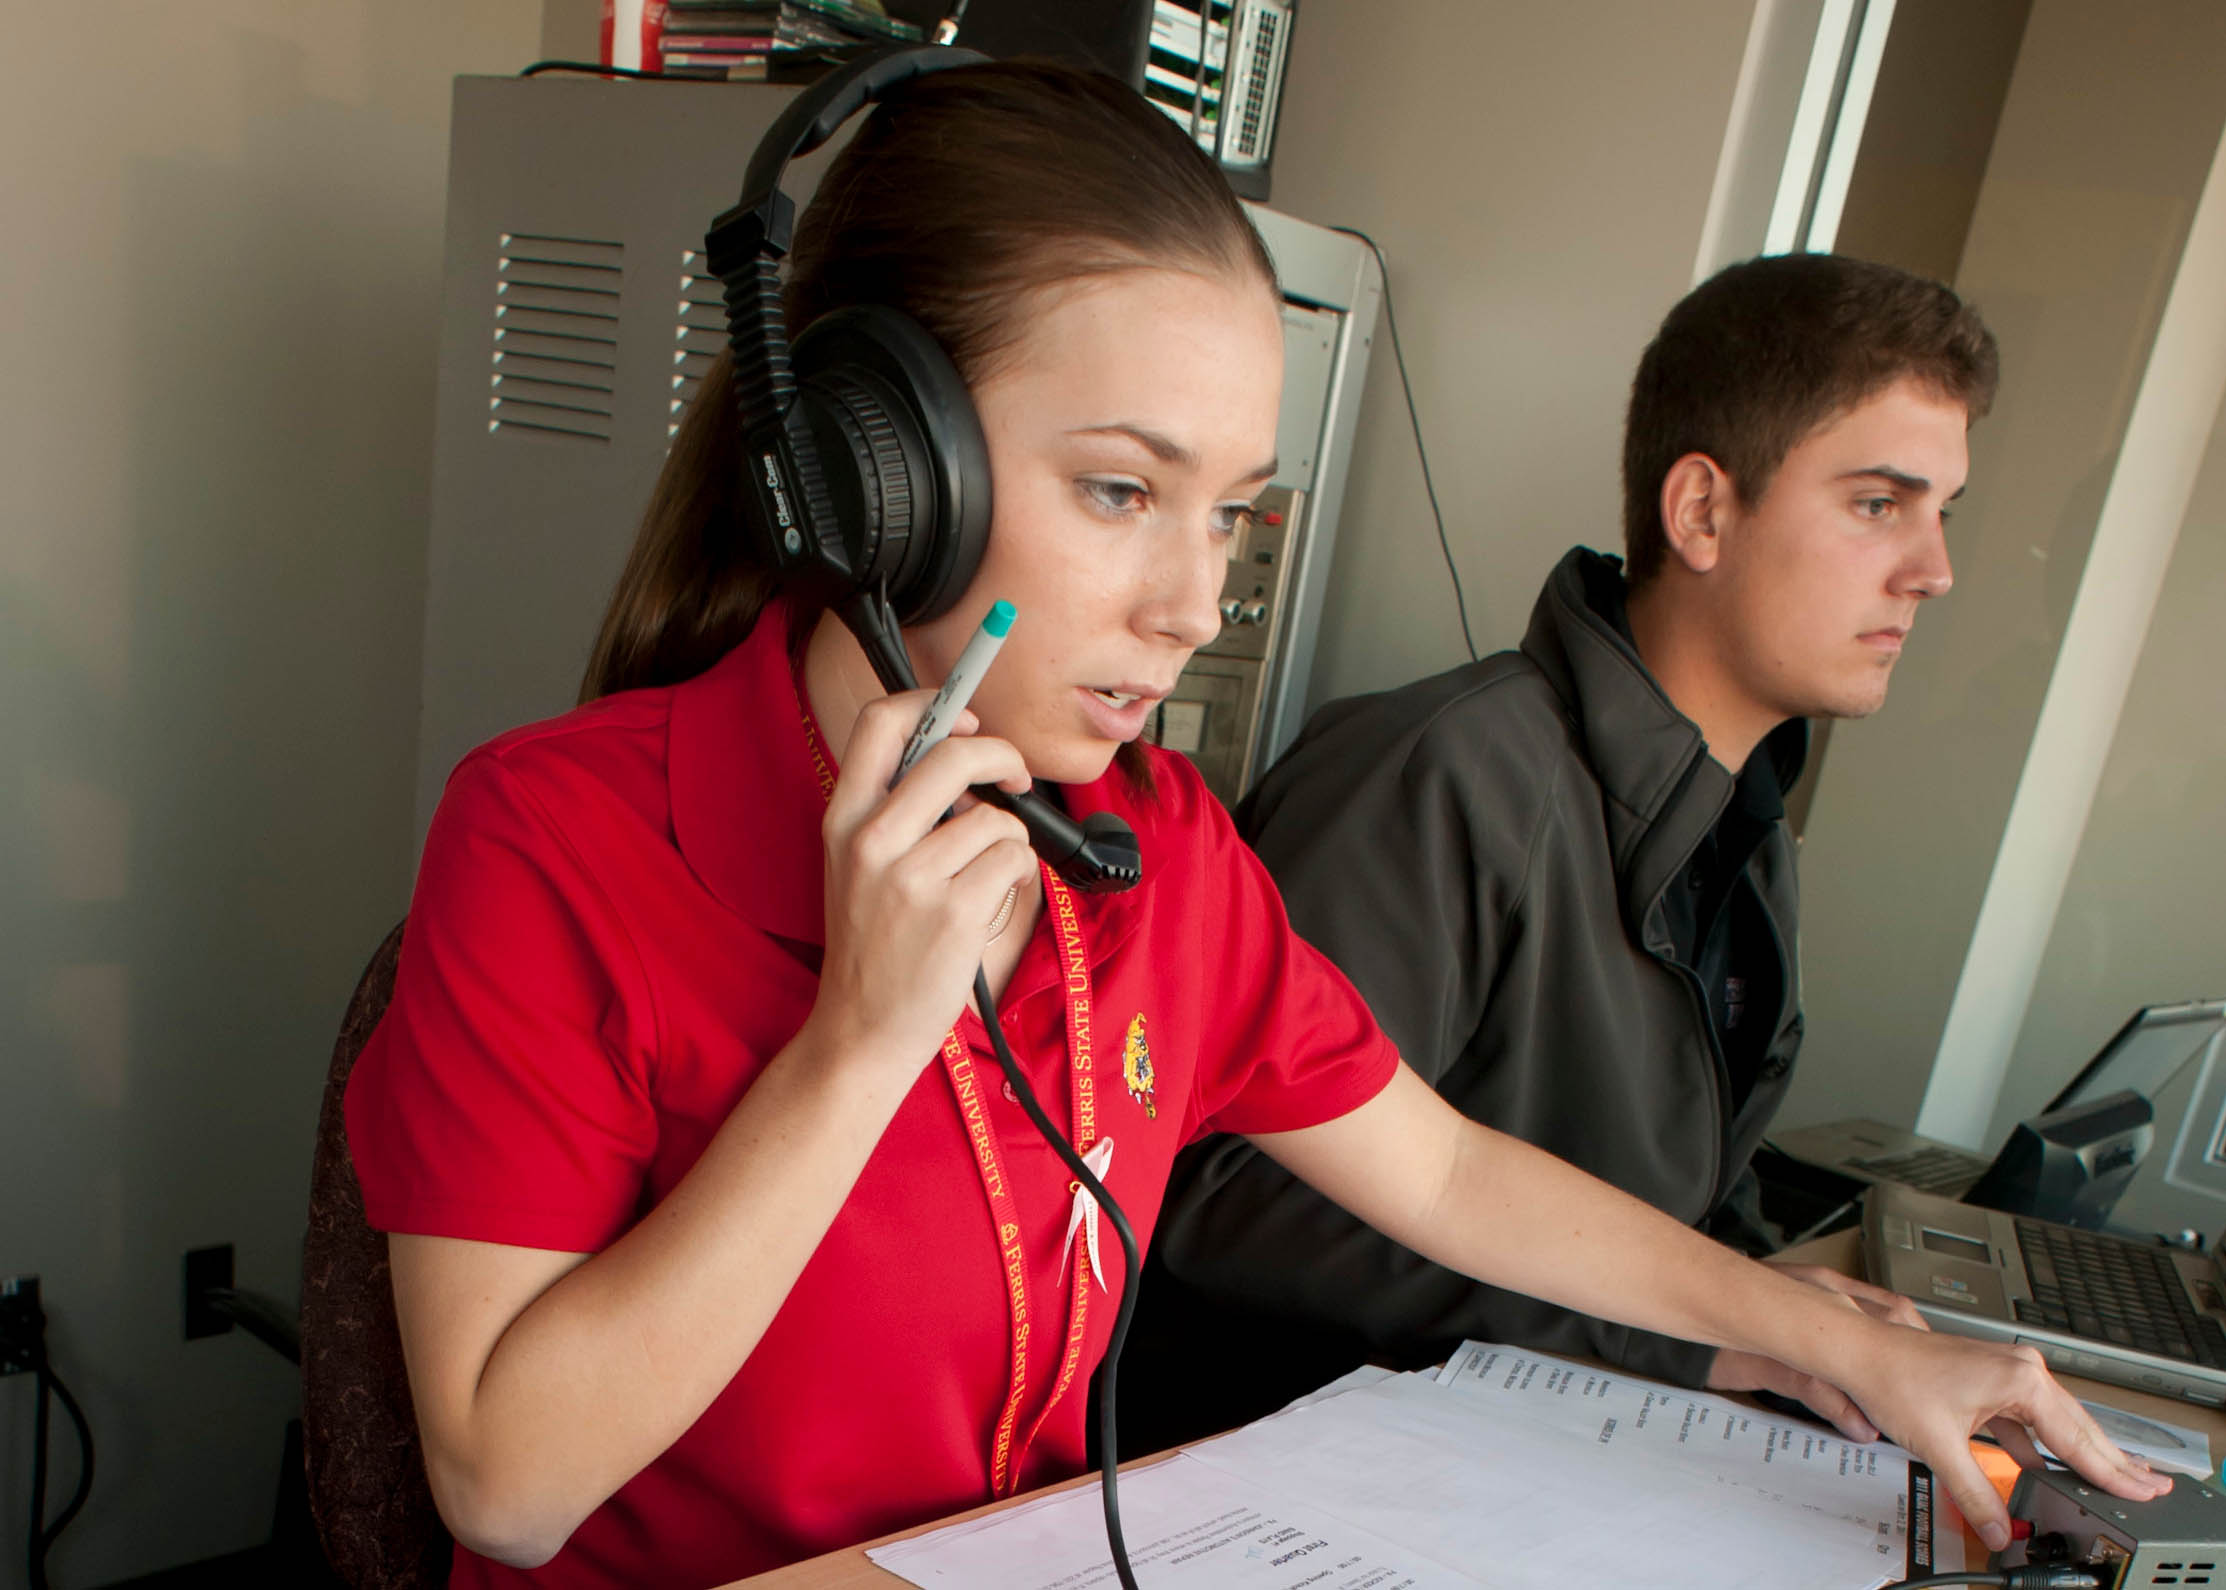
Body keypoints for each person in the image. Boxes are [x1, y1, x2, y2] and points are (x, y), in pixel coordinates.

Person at [344, 63, 2158, 1590]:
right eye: (1122, 490)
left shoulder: (1151, 846)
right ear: (875, 476)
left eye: (1230, 516)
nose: (1192, 604)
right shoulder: (553, 839)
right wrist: (857, 1048)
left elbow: (1439, 1172)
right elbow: (505, 1483)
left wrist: (1830, 1332)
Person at [1130, 253, 1996, 1447]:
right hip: (1294, 1474)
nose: (1935, 569)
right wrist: (1692, 1332)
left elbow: (1681, 1194)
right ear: (1701, 510)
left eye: (1944, 511)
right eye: (1878, 504)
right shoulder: (1443, 774)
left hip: (1545, 1448)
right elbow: (1231, 1206)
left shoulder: (1739, 815)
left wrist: (1780, 1311)